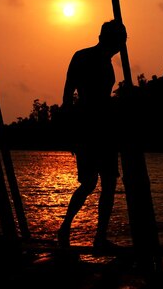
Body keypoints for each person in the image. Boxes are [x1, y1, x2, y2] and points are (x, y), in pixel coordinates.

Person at [57, 19, 127, 250]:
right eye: (120, 41)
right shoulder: (83, 56)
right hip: (88, 128)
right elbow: (68, 94)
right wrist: (70, 131)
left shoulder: (107, 62)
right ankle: (66, 227)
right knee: (89, 183)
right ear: (109, 39)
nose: (121, 47)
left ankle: (99, 236)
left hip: (106, 129)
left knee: (107, 183)